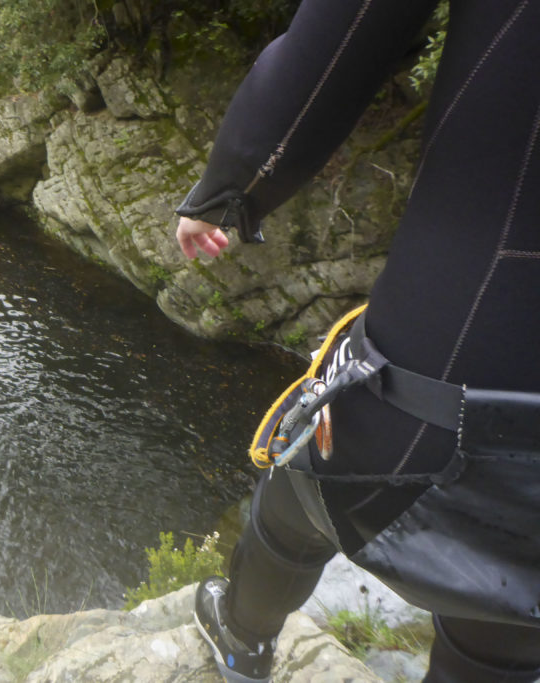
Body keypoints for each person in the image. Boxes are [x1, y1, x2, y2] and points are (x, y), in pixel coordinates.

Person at [173, 1, 540, 681]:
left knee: (304, 483)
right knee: (506, 624)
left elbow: (344, 33)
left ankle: (242, 636)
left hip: (448, 362)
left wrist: (230, 191)